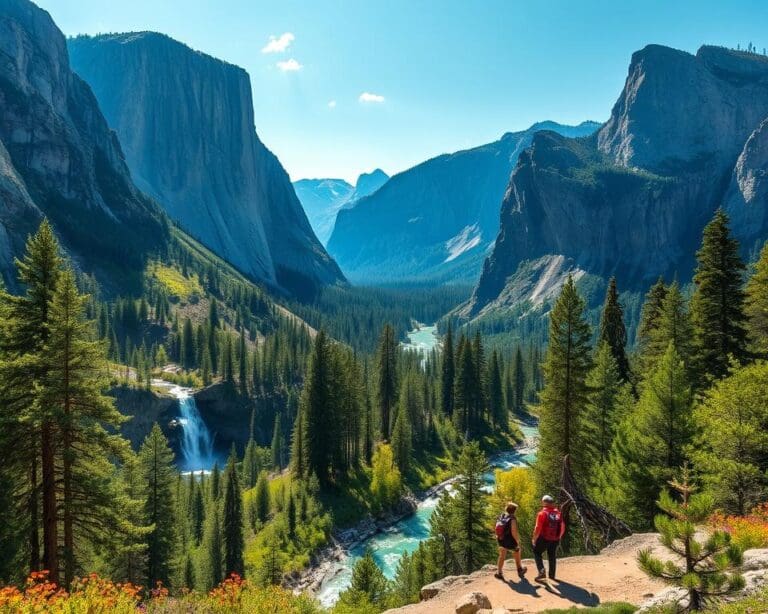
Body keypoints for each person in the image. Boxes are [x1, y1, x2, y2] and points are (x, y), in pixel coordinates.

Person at [531, 494, 565, 582]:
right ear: (552, 503)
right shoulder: (558, 513)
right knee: (552, 555)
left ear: (543, 502)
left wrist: (534, 539)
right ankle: (552, 575)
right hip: (555, 539)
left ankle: (541, 571)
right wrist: (558, 537)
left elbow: (537, 528)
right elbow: (562, 527)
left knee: (537, 552)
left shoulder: (542, 513)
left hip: (544, 538)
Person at [494, 501, 527, 580]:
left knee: (502, 555)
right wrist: (517, 541)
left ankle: (499, 572)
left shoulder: (502, 516)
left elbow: (496, 527)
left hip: (501, 538)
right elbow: (514, 532)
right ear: (514, 510)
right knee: (517, 551)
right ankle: (520, 570)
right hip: (509, 540)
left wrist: (498, 536)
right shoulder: (512, 519)